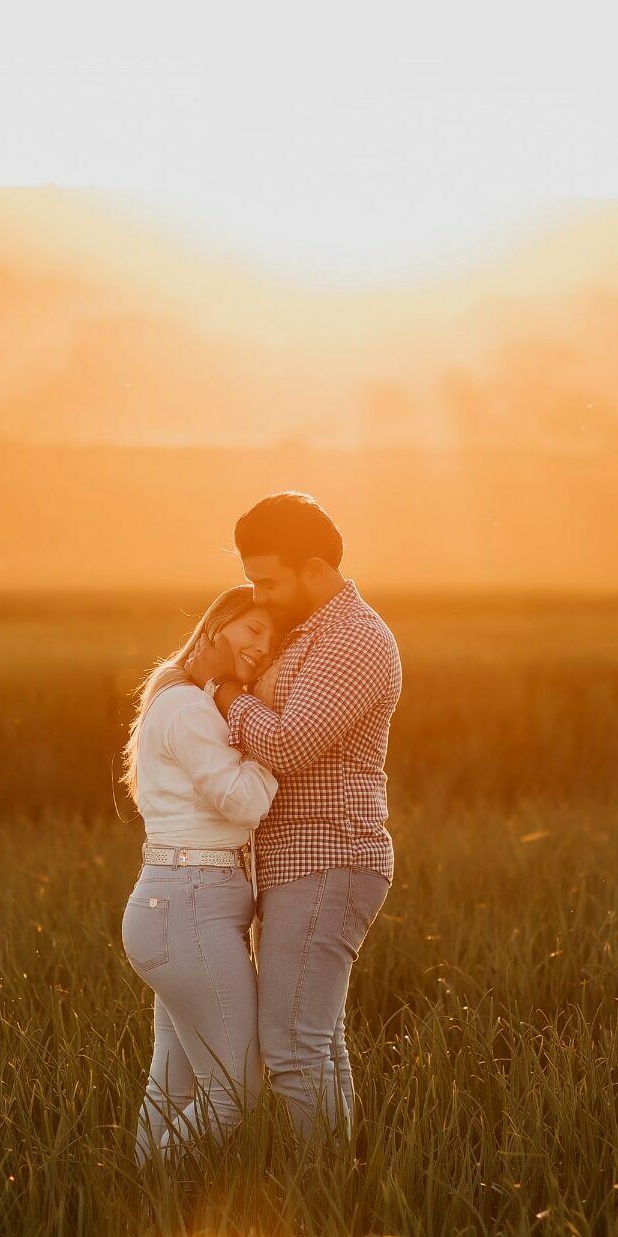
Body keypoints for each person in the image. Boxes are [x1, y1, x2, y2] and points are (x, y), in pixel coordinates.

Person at [212, 493, 402, 1143]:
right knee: (316, 1047)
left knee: (292, 1050)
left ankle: (313, 1205)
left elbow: (291, 743)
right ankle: (337, 1194)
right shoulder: (311, 632)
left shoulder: (353, 640)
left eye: (267, 581)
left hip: (329, 861)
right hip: (302, 864)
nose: (257, 597)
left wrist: (227, 695)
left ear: (315, 568)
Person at [118, 585, 285, 1160]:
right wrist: (268, 741)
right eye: (252, 630)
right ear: (218, 624)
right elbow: (243, 802)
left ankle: (142, 1204)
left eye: (272, 640)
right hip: (189, 909)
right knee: (236, 1090)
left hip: (171, 907)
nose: (262, 648)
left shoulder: (177, 696)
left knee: (173, 1085)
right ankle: (160, 1187)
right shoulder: (189, 707)